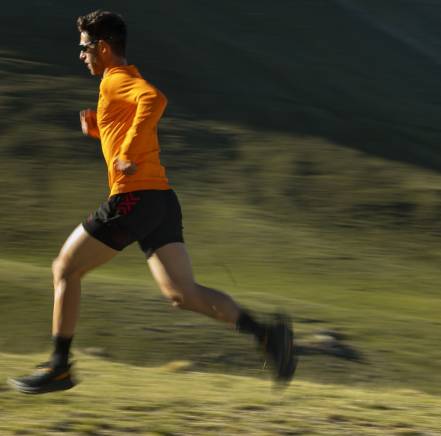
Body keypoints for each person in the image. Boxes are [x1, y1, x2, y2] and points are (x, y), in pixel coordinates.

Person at [8, 10, 296, 394]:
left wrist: (126, 151)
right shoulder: (119, 81)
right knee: (183, 294)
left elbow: (154, 100)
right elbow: (135, 119)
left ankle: (59, 366)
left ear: (103, 47)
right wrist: (101, 132)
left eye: (84, 48)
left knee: (65, 269)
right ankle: (267, 334)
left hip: (133, 199)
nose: (81, 56)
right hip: (160, 200)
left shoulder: (117, 81)